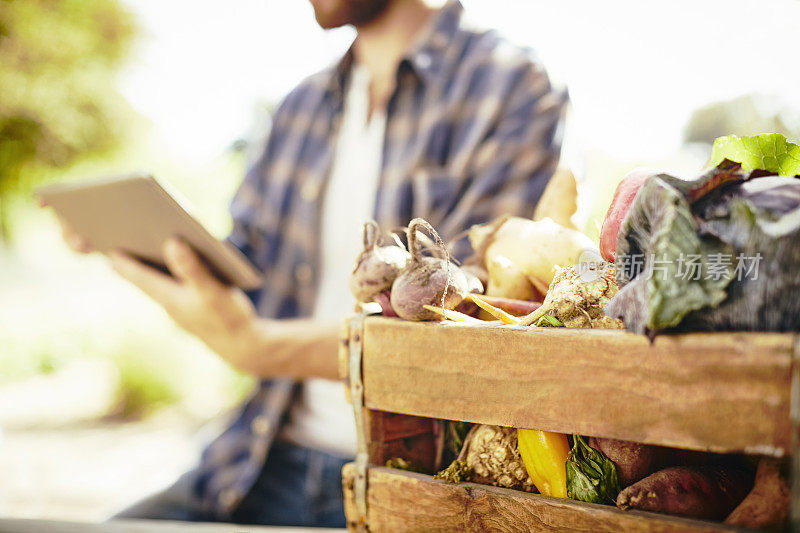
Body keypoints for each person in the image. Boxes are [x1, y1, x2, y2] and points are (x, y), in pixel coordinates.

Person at [54, 0, 567, 526]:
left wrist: (259, 348)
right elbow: (248, 271)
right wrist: (148, 248)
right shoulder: (302, 106)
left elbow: (469, 311)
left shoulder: (511, 85)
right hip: (258, 458)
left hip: (409, 481)